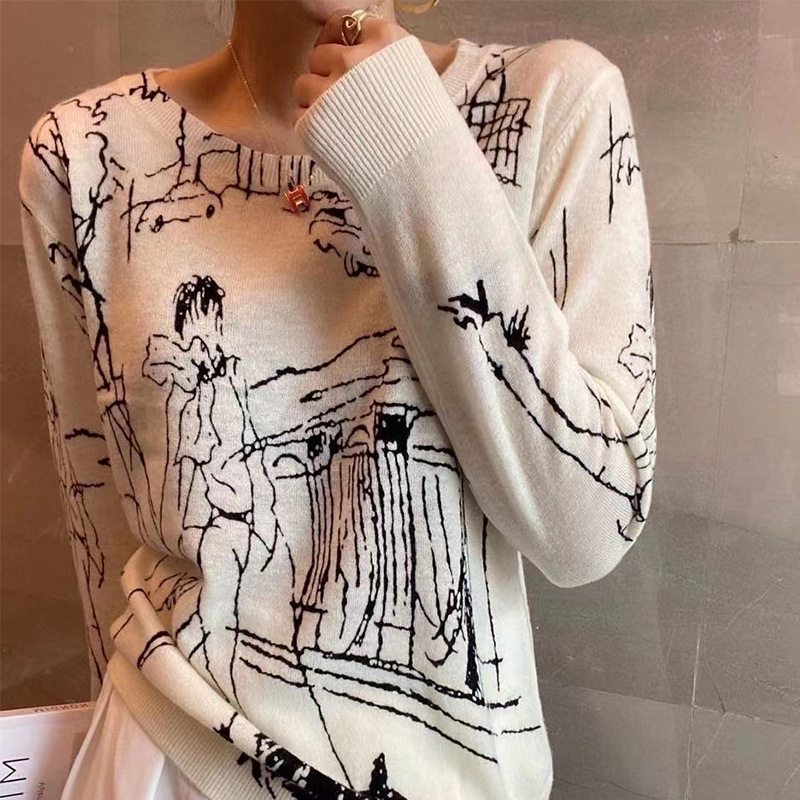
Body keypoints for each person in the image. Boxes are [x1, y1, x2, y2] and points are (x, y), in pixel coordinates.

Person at [17, 0, 657, 798]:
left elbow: (586, 530)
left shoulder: (551, 103)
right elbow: (101, 530)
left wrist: (405, 140)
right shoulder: (86, 149)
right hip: (161, 760)